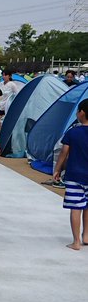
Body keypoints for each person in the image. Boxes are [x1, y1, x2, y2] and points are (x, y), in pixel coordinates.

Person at [53, 98, 88, 250]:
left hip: (75, 175)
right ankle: (86, 236)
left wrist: (57, 169)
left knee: (76, 207)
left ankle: (76, 242)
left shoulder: (73, 132)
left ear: (82, 113)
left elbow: (64, 152)